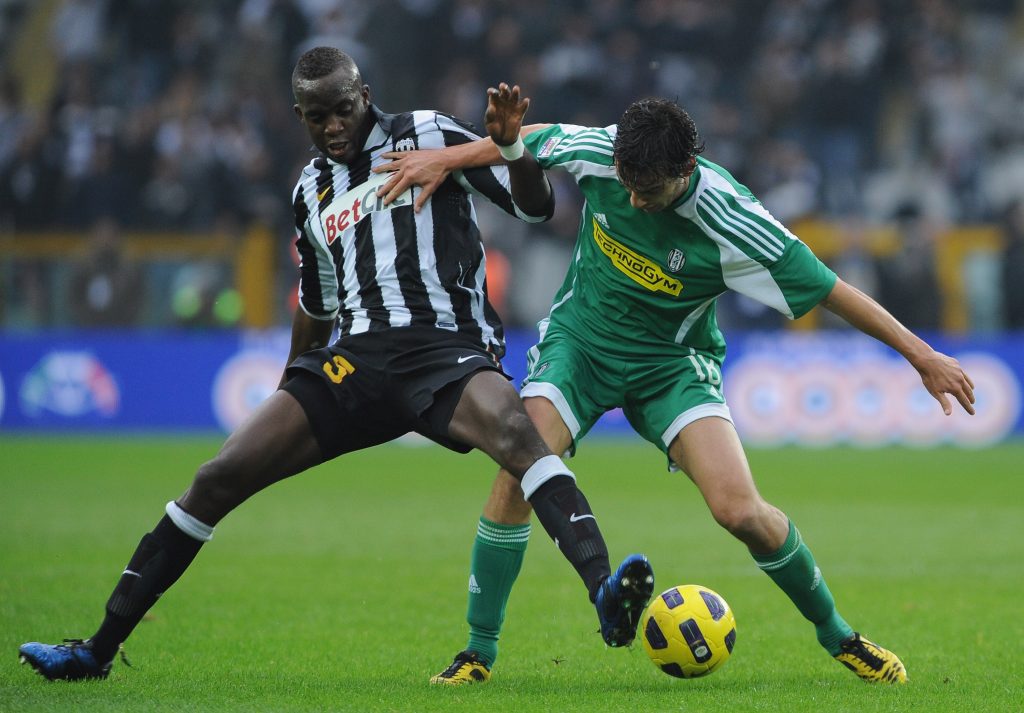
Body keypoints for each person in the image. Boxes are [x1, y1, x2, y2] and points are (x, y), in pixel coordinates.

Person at [17, 48, 655, 682]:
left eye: (343, 109)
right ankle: (96, 651)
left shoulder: (429, 133)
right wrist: (289, 390)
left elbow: (536, 208)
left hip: (444, 349)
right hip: (356, 360)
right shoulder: (308, 191)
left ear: (365, 95)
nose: (333, 126)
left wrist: (512, 148)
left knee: (519, 437)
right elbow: (317, 302)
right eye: (317, 116)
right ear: (299, 115)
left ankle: (604, 592)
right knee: (217, 477)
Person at [375, 91, 977, 685]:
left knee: (740, 511)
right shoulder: (603, 152)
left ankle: (839, 634)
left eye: (650, 190)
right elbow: (530, 138)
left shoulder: (735, 221)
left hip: (672, 365)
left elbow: (832, 291)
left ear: (686, 168)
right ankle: (478, 652)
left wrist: (922, 357)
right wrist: (444, 159)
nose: (635, 199)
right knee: (518, 475)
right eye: (628, 185)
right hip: (580, 348)